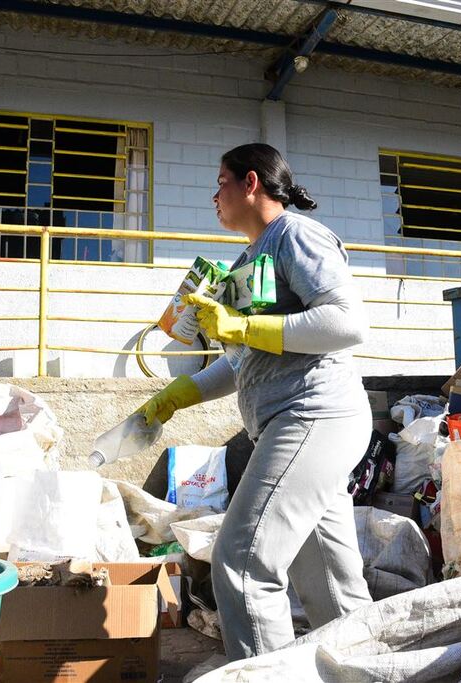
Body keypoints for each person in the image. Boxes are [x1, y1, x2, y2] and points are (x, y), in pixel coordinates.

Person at [136, 143, 373, 660]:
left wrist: (243, 325)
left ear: (250, 182)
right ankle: (368, 670)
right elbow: (249, 360)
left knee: (243, 562)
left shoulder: (296, 235)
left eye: (219, 182)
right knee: (330, 584)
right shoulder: (249, 260)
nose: (212, 197)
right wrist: (182, 393)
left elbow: (345, 322)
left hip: (313, 416)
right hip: (301, 425)